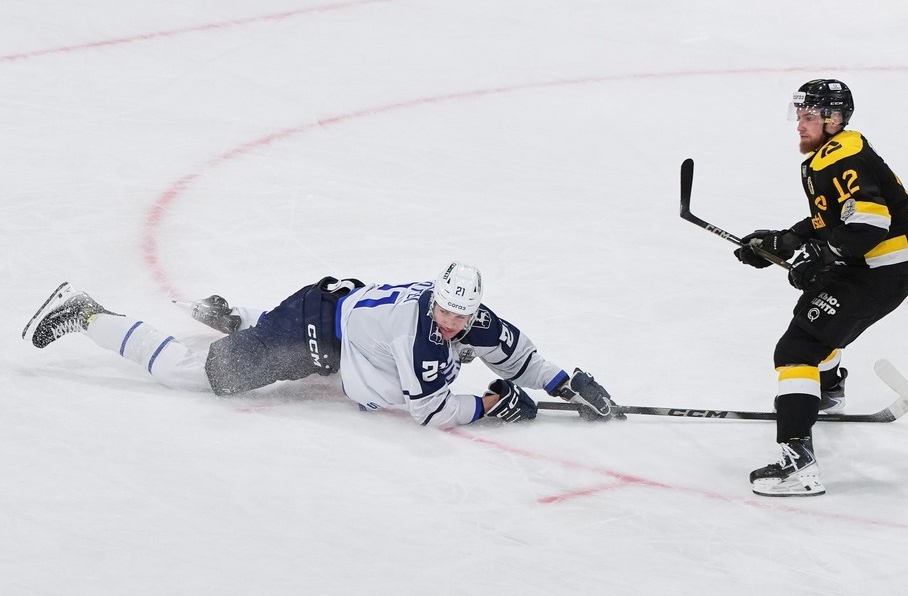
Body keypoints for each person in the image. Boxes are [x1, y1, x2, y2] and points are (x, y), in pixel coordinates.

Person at [22, 261, 616, 427]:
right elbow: (429, 412)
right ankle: (88, 313)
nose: (453, 323)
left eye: (462, 315)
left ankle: (236, 316)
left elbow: (520, 357)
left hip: (345, 325)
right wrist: (492, 406)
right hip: (317, 332)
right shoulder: (421, 332)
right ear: (436, 297)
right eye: (445, 310)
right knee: (201, 376)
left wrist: (568, 382)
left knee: (326, 366)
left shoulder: (469, 320)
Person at [733, 79, 908, 497]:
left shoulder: (845, 157)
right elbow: (829, 221)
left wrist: (820, 254)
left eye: (809, 116)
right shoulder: (828, 155)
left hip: (876, 271)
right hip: (865, 267)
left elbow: (869, 225)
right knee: (813, 314)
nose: (800, 124)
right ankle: (828, 393)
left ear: (834, 120)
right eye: (798, 115)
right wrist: (783, 240)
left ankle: (798, 465)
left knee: (796, 350)